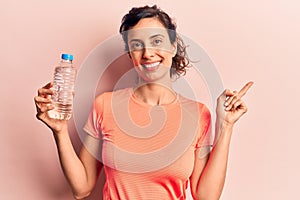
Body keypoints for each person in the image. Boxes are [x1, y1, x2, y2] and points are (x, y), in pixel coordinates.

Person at [34, 5, 253, 200]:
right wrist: (60, 131)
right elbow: (81, 189)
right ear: (131, 54)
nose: (148, 53)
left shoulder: (198, 114)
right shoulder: (105, 106)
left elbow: (205, 196)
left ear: (173, 46)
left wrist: (226, 126)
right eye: (137, 45)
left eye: (157, 41)